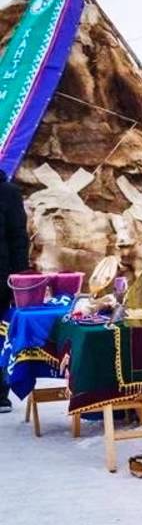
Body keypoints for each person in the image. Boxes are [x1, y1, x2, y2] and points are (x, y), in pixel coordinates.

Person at [0, 170, 28, 413]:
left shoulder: (8, 193)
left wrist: (20, 280)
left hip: (0, 276)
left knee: (0, 334)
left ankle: (0, 393)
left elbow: (18, 237)